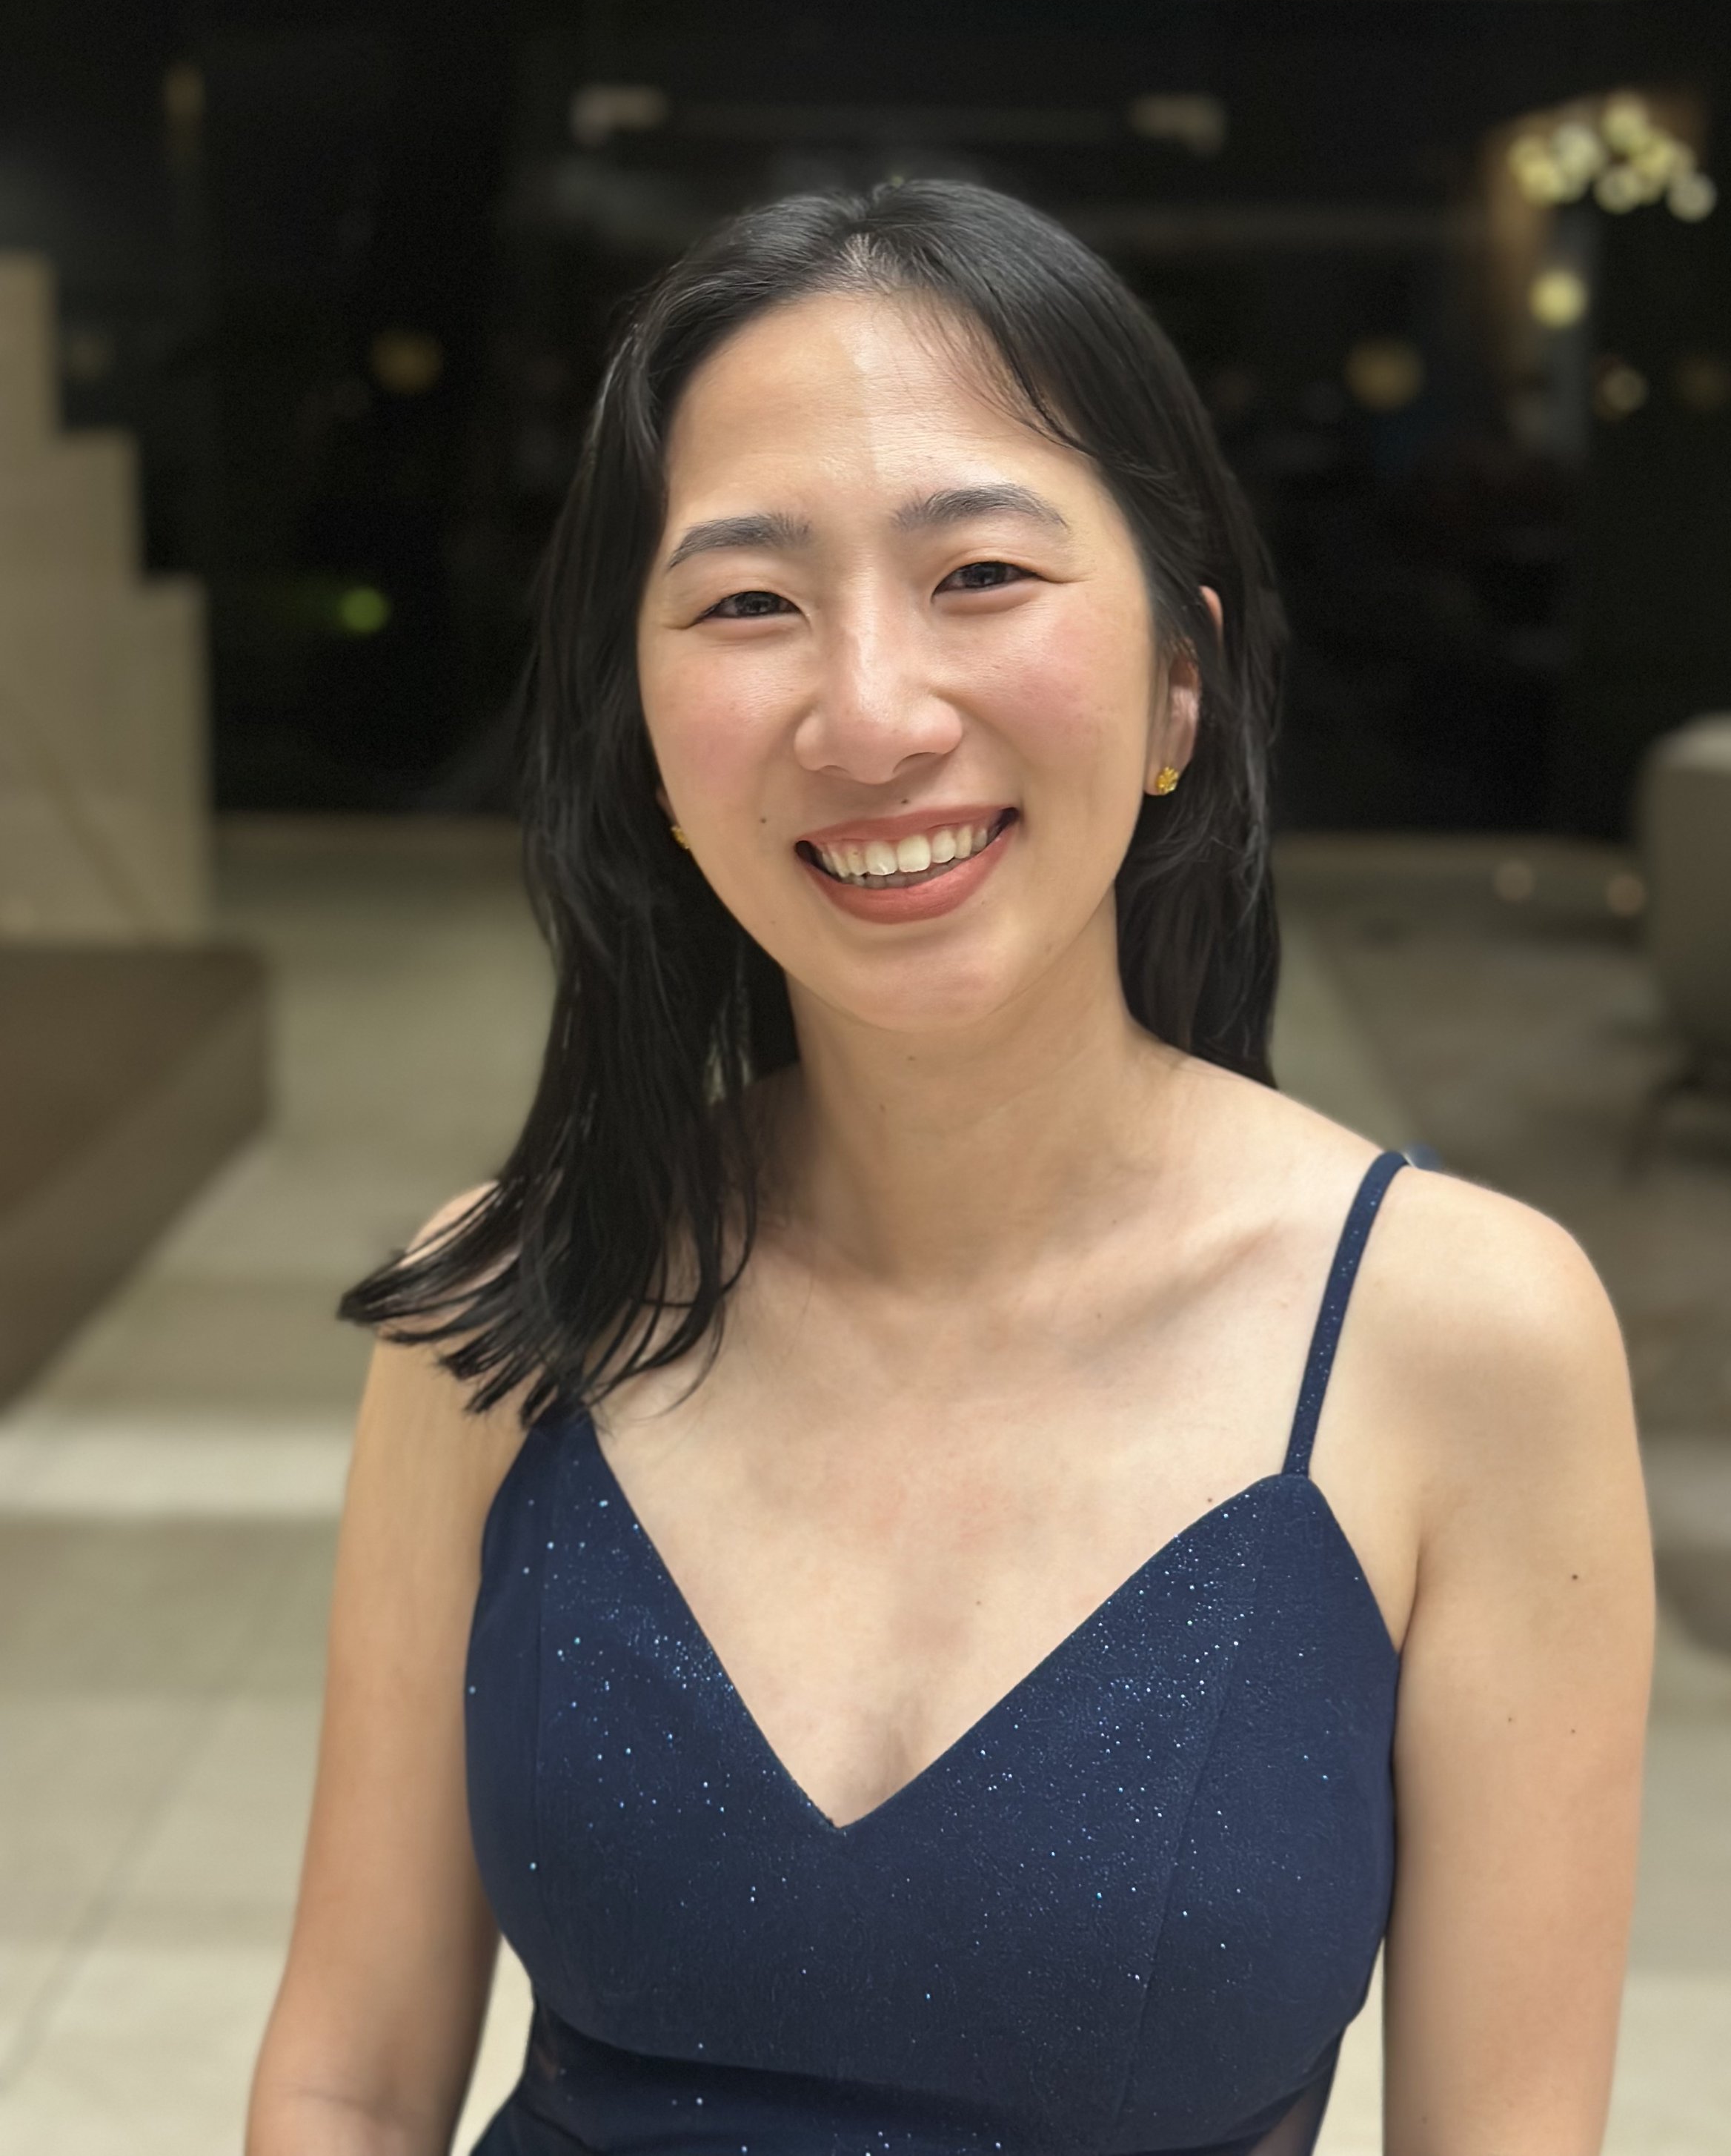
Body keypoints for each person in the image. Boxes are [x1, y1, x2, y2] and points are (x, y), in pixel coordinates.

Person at [248, 182, 1654, 2156]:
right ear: (647, 728)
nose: (873, 714)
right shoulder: (516, 1297)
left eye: (980, 573)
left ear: (1179, 679)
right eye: (748, 602)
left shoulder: (1460, 1338)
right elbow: (345, 2083)